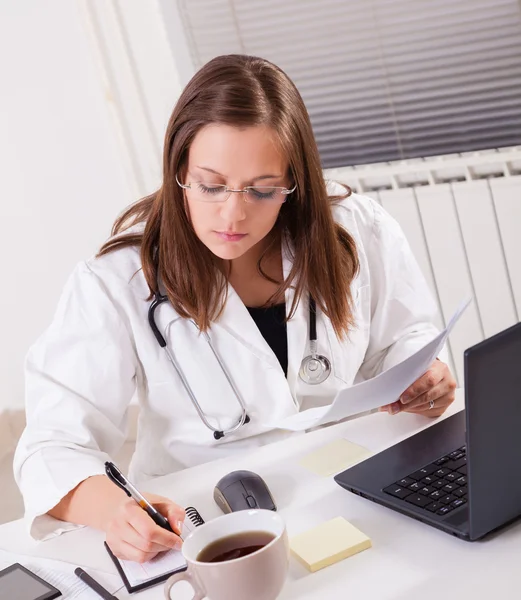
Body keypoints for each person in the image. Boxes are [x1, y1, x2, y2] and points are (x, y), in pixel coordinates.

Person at [14, 54, 456, 562]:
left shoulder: (355, 228)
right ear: (179, 169)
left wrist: (427, 377)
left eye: (263, 190)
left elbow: (405, 338)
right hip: (199, 519)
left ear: (295, 183)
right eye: (210, 185)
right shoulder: (117, 282)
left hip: (348, 484)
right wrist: (114, 510)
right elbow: (51, 446)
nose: (233, 214)